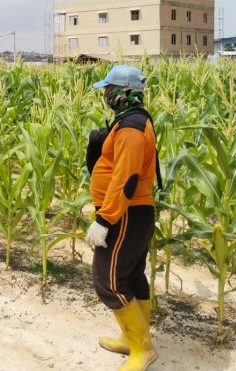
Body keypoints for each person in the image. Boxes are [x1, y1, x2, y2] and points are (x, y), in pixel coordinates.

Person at [86, 64, 158, 371]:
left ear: (121, 92)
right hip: (134, 211)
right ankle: (134, 340)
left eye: (108, 89)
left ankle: (143, 350)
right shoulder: (131, 121)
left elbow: (126, 178)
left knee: (109, 281)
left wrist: (104, 220)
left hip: (126, 213)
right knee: (131, 276)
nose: (105, 95)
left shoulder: (130, 126)